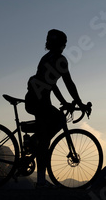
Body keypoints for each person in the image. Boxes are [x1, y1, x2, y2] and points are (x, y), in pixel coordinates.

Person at [25, 29, 88, 188]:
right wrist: (79, 103)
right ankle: (40, 181)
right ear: (61, 44)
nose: (64, 46)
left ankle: (33, 140)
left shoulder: (46, 58)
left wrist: (65, 102)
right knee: (45, 139)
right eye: (64, 43)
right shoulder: (60, 60)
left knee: (53, 124)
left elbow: (51, 84)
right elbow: (68, 83)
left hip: (34, 100)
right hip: (41, 102)